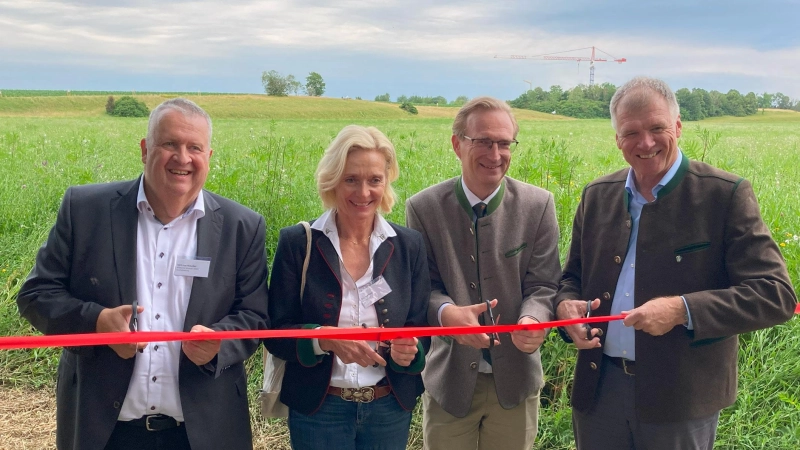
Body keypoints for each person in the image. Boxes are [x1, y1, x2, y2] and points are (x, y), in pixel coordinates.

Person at [555, 76, 798, 450]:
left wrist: (681, 310)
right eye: (631, 132)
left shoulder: (723, 194)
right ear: (617, 139)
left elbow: (775, 295)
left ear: (679, 126)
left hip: (681, 398)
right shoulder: (596, 195)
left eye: (657, 128)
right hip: (599, 391)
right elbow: (571, 277)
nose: (646, 142)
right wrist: (566, 306)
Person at [17, 98, 269, 450]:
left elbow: (256, 315)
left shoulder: (242, 226)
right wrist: (97, 323)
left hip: (204, 430)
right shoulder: (84, 210)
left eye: (194, 147)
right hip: (104, 429)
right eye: (169, 144)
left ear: (208, 157)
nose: (182, 158)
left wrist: (219, 341)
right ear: (145, 148)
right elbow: (36, 295)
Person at [406, 96, 561, 450]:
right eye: (483, 142)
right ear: (457, 144)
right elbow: (423, 288)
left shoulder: (539, 206)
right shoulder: (424, 208)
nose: (495, 154)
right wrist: (447, 314)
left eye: (504, 143)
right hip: (451, 382)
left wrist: (532, 320)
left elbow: (544, 284)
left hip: (517, 382)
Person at [265, 125, 430, 450]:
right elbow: (275, 334)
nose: (364, 192)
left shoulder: (409, 246)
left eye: (375, 180)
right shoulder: (298, 243)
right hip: (319, 409)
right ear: (332, 180)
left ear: (386, 182)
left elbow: (420, 329)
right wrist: (324, 339)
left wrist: (406, 351)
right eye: (351, 179)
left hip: (388, 408)